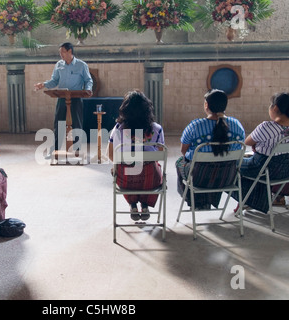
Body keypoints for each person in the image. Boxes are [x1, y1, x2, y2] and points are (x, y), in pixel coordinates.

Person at [176, 89, 245, 209]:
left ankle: (197, 201)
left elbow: (184, 151)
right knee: (217, 167)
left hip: (199, 178)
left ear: (206, 105)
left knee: (179, 162)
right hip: (227, 177)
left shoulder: (195, 126)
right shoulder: (237, 125)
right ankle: (207, 200)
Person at [107, 90, 164, 221]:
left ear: (125, 110)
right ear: (147, 109)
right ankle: (145, 204)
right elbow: (160, 154)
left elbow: (111, 155)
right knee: (152, 166)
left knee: (120, 169)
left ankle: (132, 204)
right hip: (151, 181)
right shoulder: (157, 129)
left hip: (126, 181)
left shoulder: (118, 129)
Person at [232, 92, 289, 213]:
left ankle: (249, 200)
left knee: (233, 165)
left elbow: (247, 142)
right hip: (284, 172)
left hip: (262, 168)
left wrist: (257, 146)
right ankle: (262, 200)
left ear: (275, 108)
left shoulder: (267, 127)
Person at [34, 42, 93, 156]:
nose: (60, 54)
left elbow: (88, 80)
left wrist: (88, 89)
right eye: (60, 52)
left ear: (70, 51)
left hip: (76, 98)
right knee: (58, 124)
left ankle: (76, 150)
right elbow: (54, 81)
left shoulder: (81, 65)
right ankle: (55, 150)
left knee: (77, 124)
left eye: (62, 52)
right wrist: (44, 84)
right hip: (62, 97)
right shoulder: (59, 65)